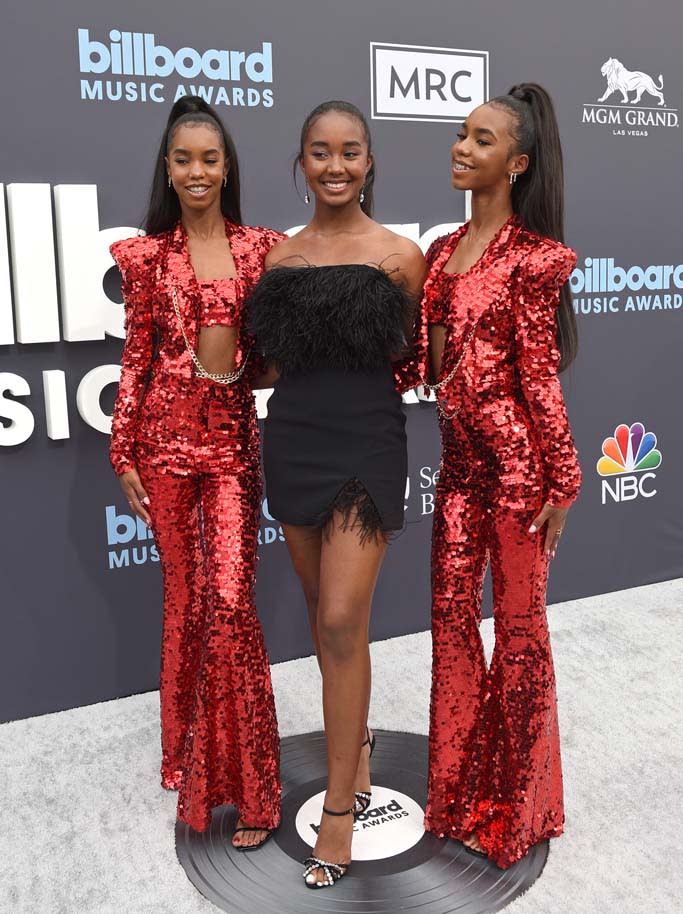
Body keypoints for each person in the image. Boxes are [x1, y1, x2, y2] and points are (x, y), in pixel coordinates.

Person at [247, 100, 426, 887]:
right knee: (328, 629)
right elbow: (272, 370)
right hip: (292, 444)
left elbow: (412, 360)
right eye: (319, 152)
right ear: (300, 162)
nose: (335, 166)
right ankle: (352, 752)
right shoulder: (278, 263)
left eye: (350, 151)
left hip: (367, 445)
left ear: (370, 161)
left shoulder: (399, 257)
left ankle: (341, 813)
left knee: (343, 617)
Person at [109, 96, 283, 849]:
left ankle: (251, 785)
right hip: (163, 450)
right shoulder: (147, 258)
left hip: (233, 453)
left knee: (228, 602)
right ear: (167, 168)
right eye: (183, 159)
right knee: (183, 603)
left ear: (227, 165)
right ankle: (186, 760)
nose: (196, 172)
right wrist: (123, 450)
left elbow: (277, 348)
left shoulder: (263, 250)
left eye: (209, 158)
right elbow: (135, 360)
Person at [422, 83, 581, 868]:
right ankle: (455, 795)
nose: (461, 147)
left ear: (515, 163)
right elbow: (424, 367)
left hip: (520, 473)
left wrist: (563, 480)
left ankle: (518, 810)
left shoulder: (535, 260)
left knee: (519, 635)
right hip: (456, 470)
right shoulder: (436, 253)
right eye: (460, 133)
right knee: (449, 620)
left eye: (480, 140)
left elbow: (540, 379)